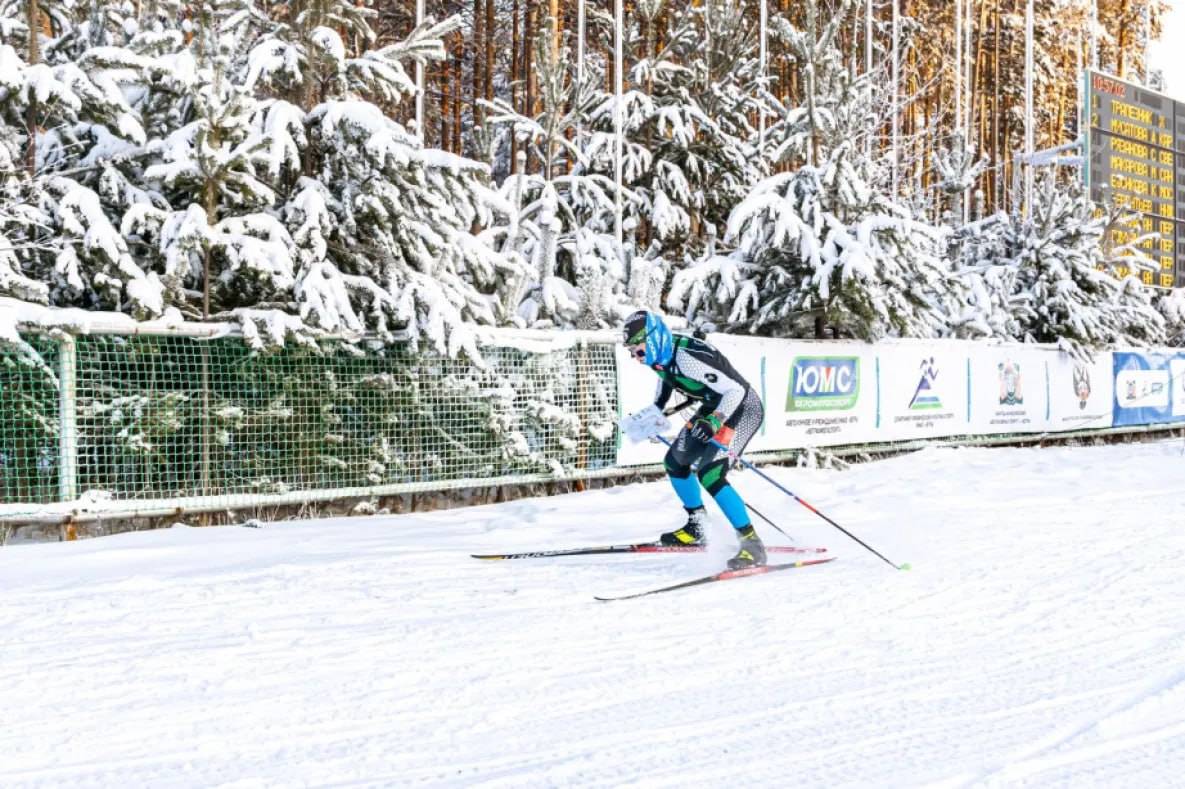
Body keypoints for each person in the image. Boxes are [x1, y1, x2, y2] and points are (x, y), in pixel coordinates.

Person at [621, 310, 767, 569]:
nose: (636, 358)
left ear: (652, 340)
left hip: (742, 408)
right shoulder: (661, 355)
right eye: (632, 353)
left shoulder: (688, 358)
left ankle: (752, 544)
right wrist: (653, 414)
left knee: (710, 473)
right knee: (675, 462)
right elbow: (666, 381)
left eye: (638, 351)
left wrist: (713, 421)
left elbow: (736, 390)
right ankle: (697, 527)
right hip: (716, 407)